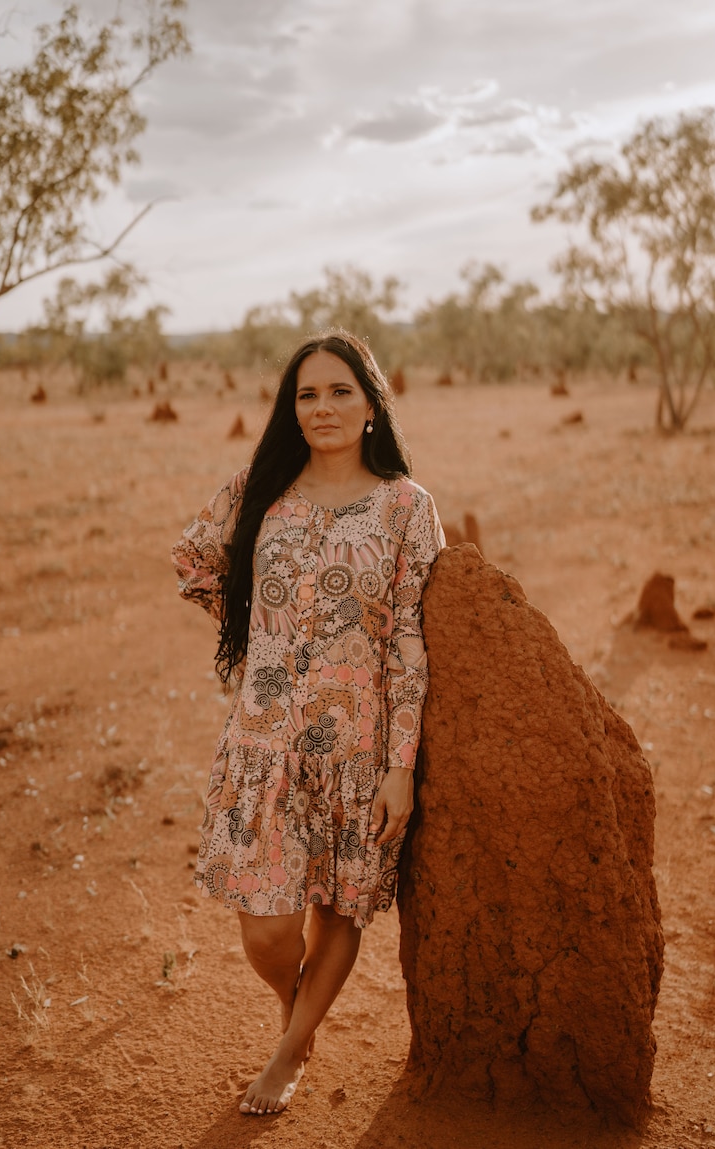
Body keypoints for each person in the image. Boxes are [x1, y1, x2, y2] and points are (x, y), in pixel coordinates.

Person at [171, 330, 444, 1116]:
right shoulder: (262, 489)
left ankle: (292, 1045)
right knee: (266, 931)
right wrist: (253, 629)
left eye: (339, 392)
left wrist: (399, 764)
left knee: (338, 909)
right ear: (292, 410)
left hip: (357, 748)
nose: (321, 407)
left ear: (370, 405)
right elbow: (193, 559)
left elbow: (409, 641)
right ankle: (296, 1005)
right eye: (306, 394)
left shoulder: (406, 507)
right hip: (263, 744)